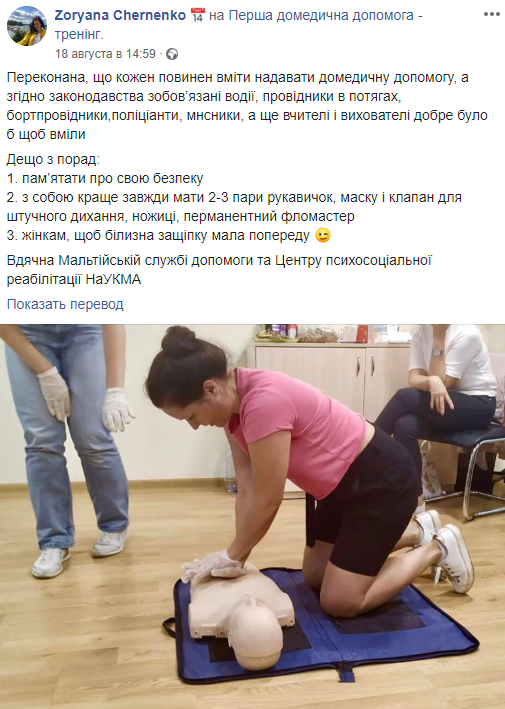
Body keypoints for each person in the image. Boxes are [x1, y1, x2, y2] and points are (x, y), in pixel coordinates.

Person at [146, 326, 474, 619]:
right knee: (315, 577)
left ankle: (438, 547)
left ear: (210, 389)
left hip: (380, 479)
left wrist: (232, 556)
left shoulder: (262, 402)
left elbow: (268, 498)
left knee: (339, 601)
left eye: (191, 416)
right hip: (337, 487)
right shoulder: (232, 412)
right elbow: (247, 489)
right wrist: (236, 557)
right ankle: (418, 531)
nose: (194, 426)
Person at [0, 324, 134, 579]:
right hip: (26, 333)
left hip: (85, 331)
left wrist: (115, 391)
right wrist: (46, 372)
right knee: (42, 442)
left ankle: (115, 524)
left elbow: (112, 319)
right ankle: (54, 541)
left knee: (93, 437)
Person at [376, 324, 497, 508]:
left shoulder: (467, 333)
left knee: (404, 396)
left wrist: (439, 337)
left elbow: (444, 382)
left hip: (479, 405)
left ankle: (363, 451)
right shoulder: (420, 334)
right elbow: (414, 378)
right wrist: (432, 380)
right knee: (404, 425)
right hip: (445, 403)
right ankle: (416, 502)